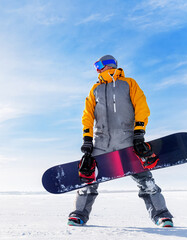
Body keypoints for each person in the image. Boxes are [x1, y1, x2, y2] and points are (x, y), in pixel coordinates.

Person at [67, 55, 173, 228]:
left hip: (128, 140)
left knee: (145, 180)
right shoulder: (95, 89)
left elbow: (141, 107)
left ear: (109, 65)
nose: (97, 69)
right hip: (101, 142)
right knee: (88, 180)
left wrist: (139, 133)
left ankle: (161, 215)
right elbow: (87, 115)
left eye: (99, 65)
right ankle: (78, 215)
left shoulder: (129, 83)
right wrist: (87, 140)